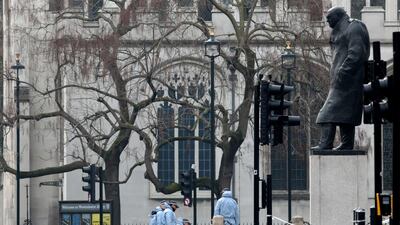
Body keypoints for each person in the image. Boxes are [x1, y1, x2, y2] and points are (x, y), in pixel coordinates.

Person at [312, 6, 370, 151]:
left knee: (326, 114)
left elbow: (357, 53)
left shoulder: (354, 27)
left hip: (348, 81)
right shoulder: (339, 30)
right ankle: (346, 144)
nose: (327, 21)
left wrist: (342, 72)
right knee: (346, 115)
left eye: (329, 18)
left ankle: (326, 144)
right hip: (341, 82)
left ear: (338, 16)